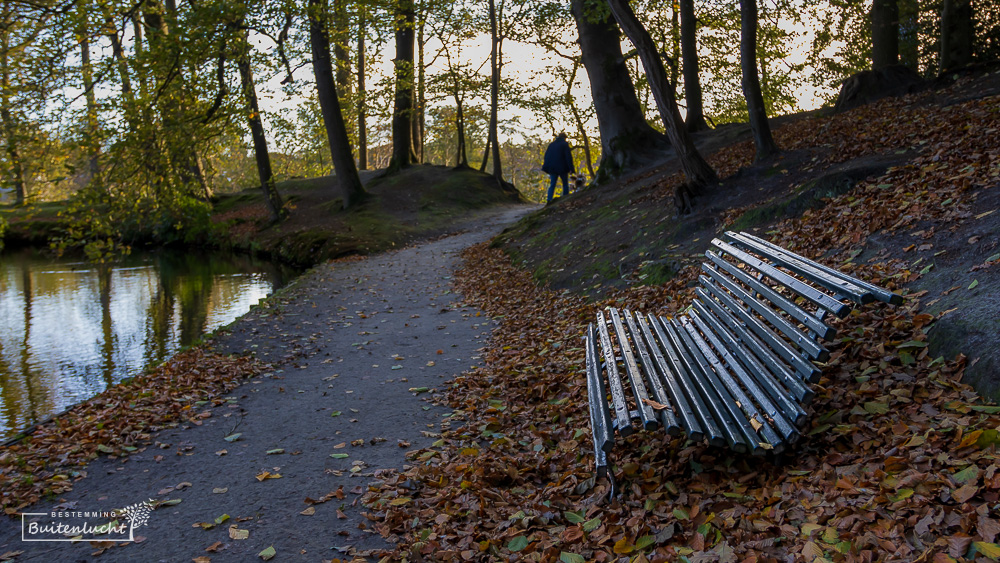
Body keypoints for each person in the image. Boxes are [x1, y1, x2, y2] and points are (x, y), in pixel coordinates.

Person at [542, 133, 574, 203]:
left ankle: (549, 199)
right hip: (562, 168)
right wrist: (571, 169)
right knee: (565, 184)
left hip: (552, 168)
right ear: (564, 138)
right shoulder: (564, 145)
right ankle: (565, 198)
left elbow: (546, 156)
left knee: (552, 184)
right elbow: (568, 157)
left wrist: (547, 167)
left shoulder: (551, 145)